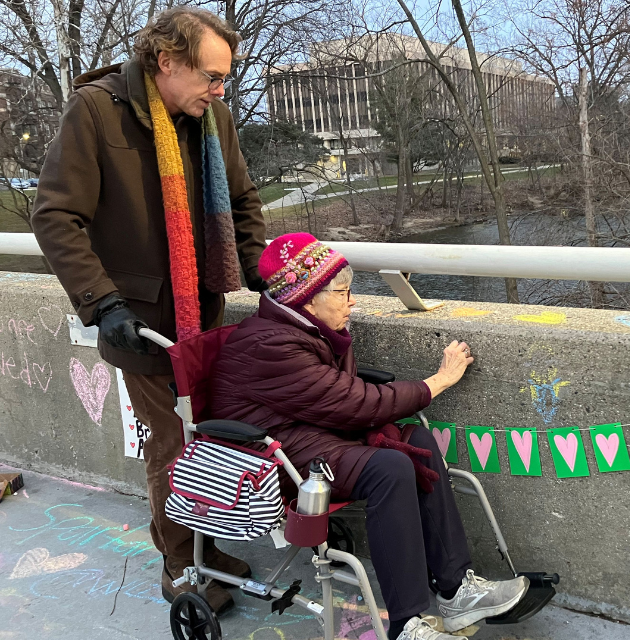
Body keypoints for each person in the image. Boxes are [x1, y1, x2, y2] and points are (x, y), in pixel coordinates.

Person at [31, 7, 266, 614]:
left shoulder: (212, 117)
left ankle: (210, 551)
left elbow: (241, 200)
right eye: (211, 77)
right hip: (136, 322)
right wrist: (102, 303)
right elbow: (56, 215)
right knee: (171, 447)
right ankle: (179, 562)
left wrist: (266, 269)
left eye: (224, 79)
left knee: (214, 442)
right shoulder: (95, 110)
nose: (220, 90)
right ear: (167, 61)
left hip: (204, 311)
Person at [210, 233, 530, 640]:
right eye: (342, 293)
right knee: (391, 467)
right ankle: (406, 623)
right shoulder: (269, 347)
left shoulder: (311, 327)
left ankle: (456, 592)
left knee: (418, 444)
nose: (352, 302)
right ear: (307, 298)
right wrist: (437, 382)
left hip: (314, 432)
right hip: (271, 453)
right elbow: (351, 402)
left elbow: (340, 399)